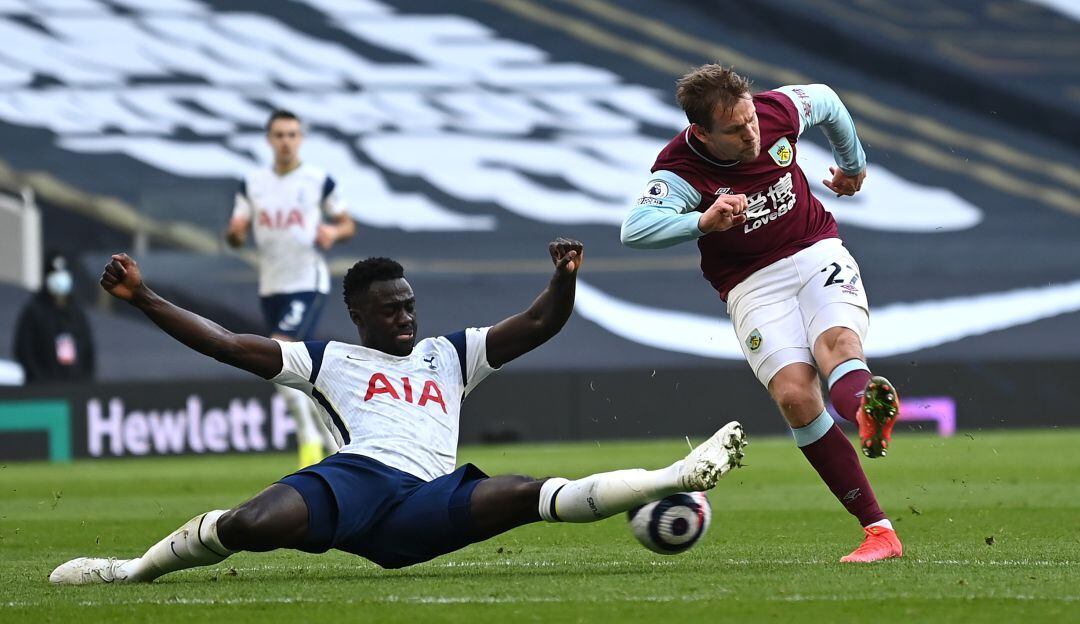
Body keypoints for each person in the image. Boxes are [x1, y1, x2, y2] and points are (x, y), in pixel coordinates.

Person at [49, 239, 747, 584]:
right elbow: (229, 344)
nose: (407, 316)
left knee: (524, 494)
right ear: (359, 314)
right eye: (391, 309)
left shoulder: (449, 354)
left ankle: (673, 475)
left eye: (410, 304)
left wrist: (562, 280)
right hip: (355, 479)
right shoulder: (328, 360)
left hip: (426, 500)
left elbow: (537, 325)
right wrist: (144, 298)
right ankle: (132, 570)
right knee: (250, 525)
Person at [620, 65, 901, 563]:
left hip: (816, 250)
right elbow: (636, 229)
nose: (752, 133)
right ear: (701, 133)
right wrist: (701, 221)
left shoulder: (775, 110)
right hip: (752, 282)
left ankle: (865, 410)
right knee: (794, 395)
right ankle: (879, 532)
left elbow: (827, 100)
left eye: (751, 119)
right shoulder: (681, 169)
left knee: (836, 345)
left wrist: (852, 164)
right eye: (735, 129)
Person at [226, 109, 357, 469]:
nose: (286, 142)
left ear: (301, 139)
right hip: (272, 285)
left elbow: (347, 224)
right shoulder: (252, 183)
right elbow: (236, 231)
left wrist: (333, 232)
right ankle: (335, 441)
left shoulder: (318, 181)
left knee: (280, 351)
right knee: (295, 367)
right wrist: (236, 234)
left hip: (307, 282)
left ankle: (310, 441)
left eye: (292, 135)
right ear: (269, 140)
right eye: (280, 135)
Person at [13, 252, 95, 384]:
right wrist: (40, 381)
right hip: (44, 388)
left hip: (75, 386)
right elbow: (24, 351)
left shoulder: (76, 312)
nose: (60, 280)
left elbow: (88, 351)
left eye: (63, 275)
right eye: (55, 275)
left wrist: (85, 380)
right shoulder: (34, 311)